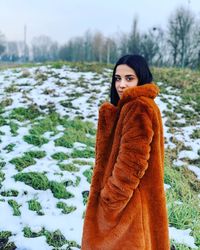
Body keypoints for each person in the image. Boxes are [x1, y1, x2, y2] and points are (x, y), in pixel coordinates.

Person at [81, 54, 170, 250]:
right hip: (135, 204)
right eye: (117, 78)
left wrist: (110, 199)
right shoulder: (141, 106)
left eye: (129, 78)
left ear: (141, 79)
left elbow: (133, 162)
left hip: (127, 208)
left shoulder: (138, 107)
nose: (121, 85)